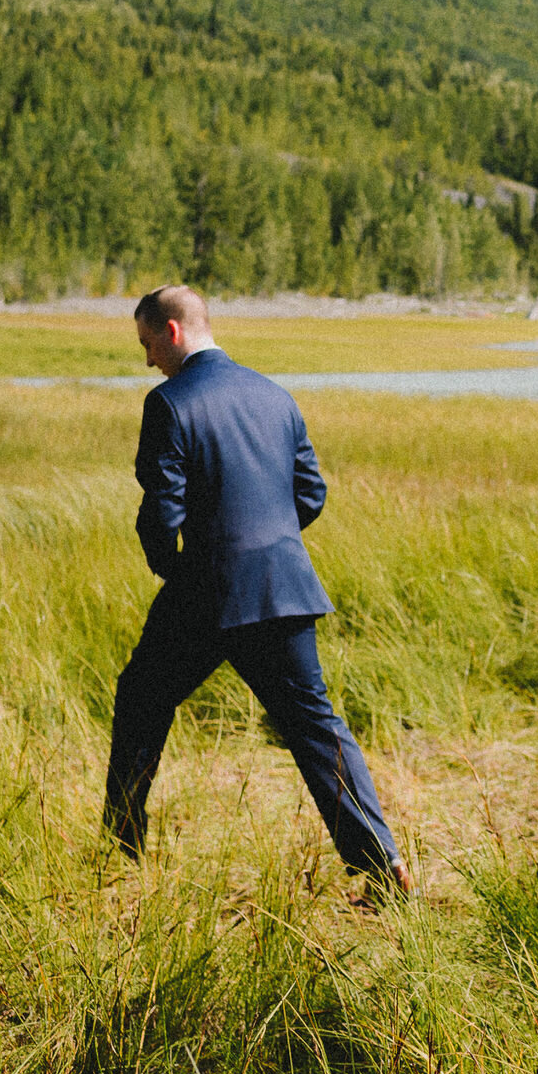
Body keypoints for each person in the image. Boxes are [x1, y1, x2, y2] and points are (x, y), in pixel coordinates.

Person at [103, 284, 410, 893]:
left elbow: (161, 513)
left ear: (172, 332)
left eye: (145, 344)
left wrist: (177, 568)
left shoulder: (167, 404)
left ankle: (121, 855)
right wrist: (267, 542)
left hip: (206, 593)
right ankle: (384, 862)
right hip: (285, 588)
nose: (145, 361)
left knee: (140, 698)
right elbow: (310, 493)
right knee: (316, 729)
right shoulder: (276, 395)